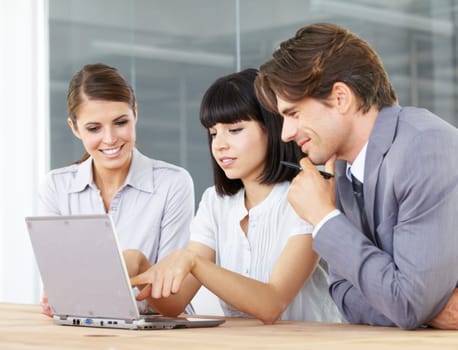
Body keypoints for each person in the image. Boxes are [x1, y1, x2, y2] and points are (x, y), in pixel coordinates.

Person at [253, 22, 458, 330]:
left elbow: (408, 303)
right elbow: (344, 294)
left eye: (293, 114)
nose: (285, 134)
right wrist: (425, 312)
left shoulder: (423, 146)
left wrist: (323, 217)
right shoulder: (344, 169)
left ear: (340, 98)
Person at [126, 68, 342, 324]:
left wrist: (194, 262)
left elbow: (272, 303)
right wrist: (141, 266)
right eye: (213, 133)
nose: (219, 144)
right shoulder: (215, 202)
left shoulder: (307, 194)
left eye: (235, 130)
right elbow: (175, 303)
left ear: (271, 128)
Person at [38, 63, 195, 316]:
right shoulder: (57, 187)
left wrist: (132, 266)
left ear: (135, 113)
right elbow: (59, 290)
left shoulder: (172, 183)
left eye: (120, 122)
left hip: (158, 332)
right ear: (74, 127)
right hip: (85, 330)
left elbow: (170, 291)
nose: (110, 138)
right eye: (94, 128)